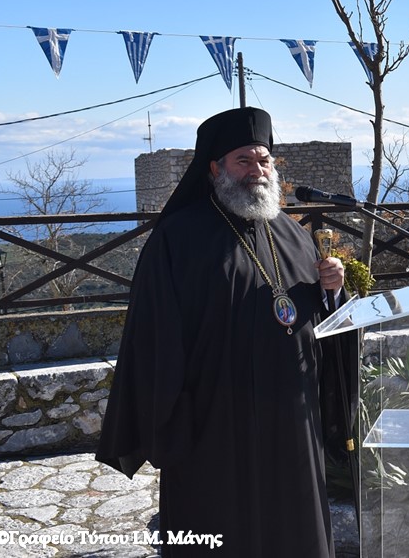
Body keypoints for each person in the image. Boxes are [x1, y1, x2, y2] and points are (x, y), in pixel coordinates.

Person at [97, 107, 355, 557]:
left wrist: (333, 290)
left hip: (291, 421)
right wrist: (172, 419)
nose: (257, 171)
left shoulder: (294, 236)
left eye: (264, 161)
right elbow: (153, 333)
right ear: (215, 168)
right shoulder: (178, 237)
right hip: (214, 422)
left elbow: (314, 320)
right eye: (244, 160)